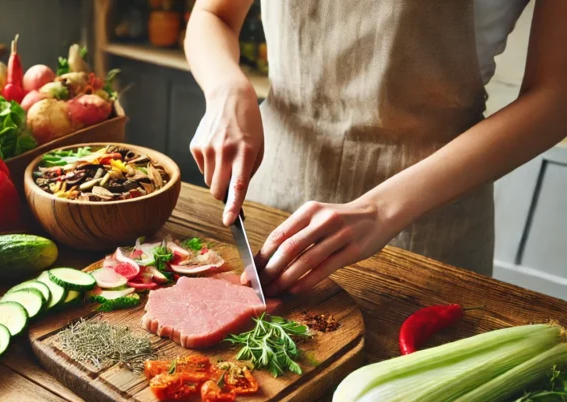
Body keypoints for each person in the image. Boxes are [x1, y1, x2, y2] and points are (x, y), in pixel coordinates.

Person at [186, 0, 567, 296]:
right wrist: (227, 91)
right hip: (274, 196)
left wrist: (381, 208)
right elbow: (213, 14)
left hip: (428, 227)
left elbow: (556, 97)